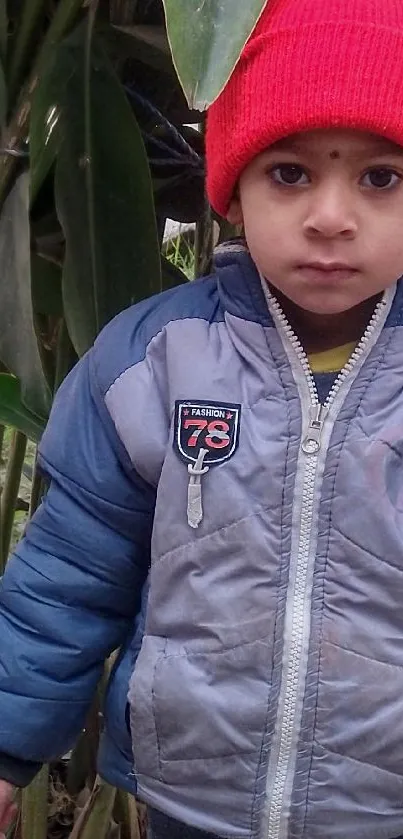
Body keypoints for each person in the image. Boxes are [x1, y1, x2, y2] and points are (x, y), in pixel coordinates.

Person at [2, 0, 403, 837]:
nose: (331, 215)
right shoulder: (155, 362)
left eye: (380, 177)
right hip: (191, 802)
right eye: (289, 173)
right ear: (231, 189)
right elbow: (66, 581)